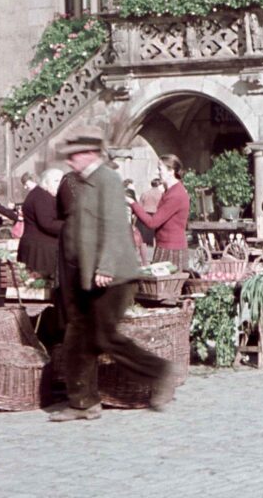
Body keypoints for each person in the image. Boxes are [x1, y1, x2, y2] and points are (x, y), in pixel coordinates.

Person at [50, 130, 174, 422]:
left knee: (104, 336)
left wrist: (105, 267)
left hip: (113, 275)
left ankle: (158, 371)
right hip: (86, 276)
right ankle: (84, 403)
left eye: (75, 155)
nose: (70, 161)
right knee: (78, 338)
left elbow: (116, 226)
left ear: (91, 154)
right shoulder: (84, 183)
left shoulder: (107, 179)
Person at [130, 155, 191, 270]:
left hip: (172, 250)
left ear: (171, 171)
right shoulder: (170, 191)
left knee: (166, 287)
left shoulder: (176, 194)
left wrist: (133, 203)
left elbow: (153, 222)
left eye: (159, 169)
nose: (157, 173)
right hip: (165, 246)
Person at [18, 168, 63, 279]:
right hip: (40, 252)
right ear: (46, 182)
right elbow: (47, 223)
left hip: (38, 248)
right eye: (56, 181)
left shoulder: (39, 194)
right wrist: (70, 226)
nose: (60, 184)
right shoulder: (41, 196)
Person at [136, 178, 164, 246]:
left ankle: (144, 251)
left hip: (145, 214)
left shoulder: (145, 193)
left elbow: (139, 206)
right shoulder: (162, 194)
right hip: (156, 213)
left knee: (144, 237)